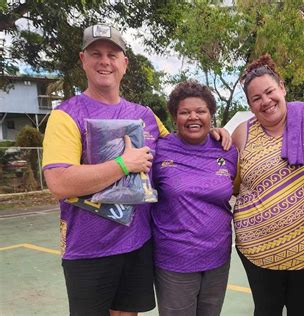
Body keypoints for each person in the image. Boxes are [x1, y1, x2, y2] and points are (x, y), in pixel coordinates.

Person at [42, 25, 230, 316]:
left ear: (124, 63)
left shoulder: (145, 116)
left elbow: (182, 141)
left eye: (112, 54)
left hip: (137, 244)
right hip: (89, 249)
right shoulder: (67, 114)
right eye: (96, 54)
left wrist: (212, 132)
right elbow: (59, 182)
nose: (105, 61)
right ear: (83, 59)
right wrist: (122, 164)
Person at [232, 54, 304, 316]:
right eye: (256, 98)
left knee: (302, 309)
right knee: (266, 309)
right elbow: (231, 182)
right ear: (249, 105)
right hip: (256, 247)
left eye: (270, 92)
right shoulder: (241, 132)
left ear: (282, 88)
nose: (266, 101)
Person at [151, 81, 238, 316]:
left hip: (218, 258)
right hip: (174, 260)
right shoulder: (159, 150)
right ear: (174, 117)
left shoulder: (227, 149)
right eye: (184, 112)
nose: (193, 117)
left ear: (211, 115)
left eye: (200, 111)